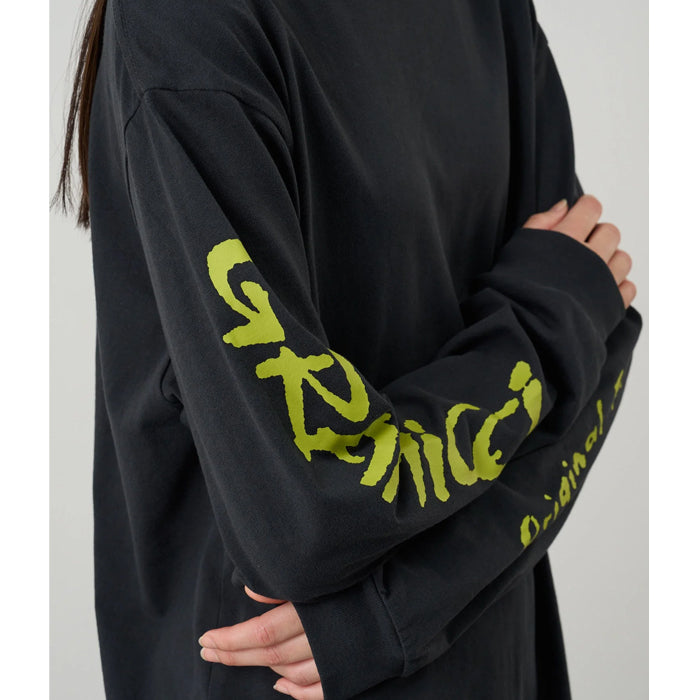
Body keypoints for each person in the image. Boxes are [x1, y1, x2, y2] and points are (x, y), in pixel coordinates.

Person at [53, 0, 642, 698]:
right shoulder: (189, 23)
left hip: (490, 656)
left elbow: (595, 345)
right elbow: (299, 520)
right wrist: (549, 322)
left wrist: (401, 605)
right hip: (278, 676)